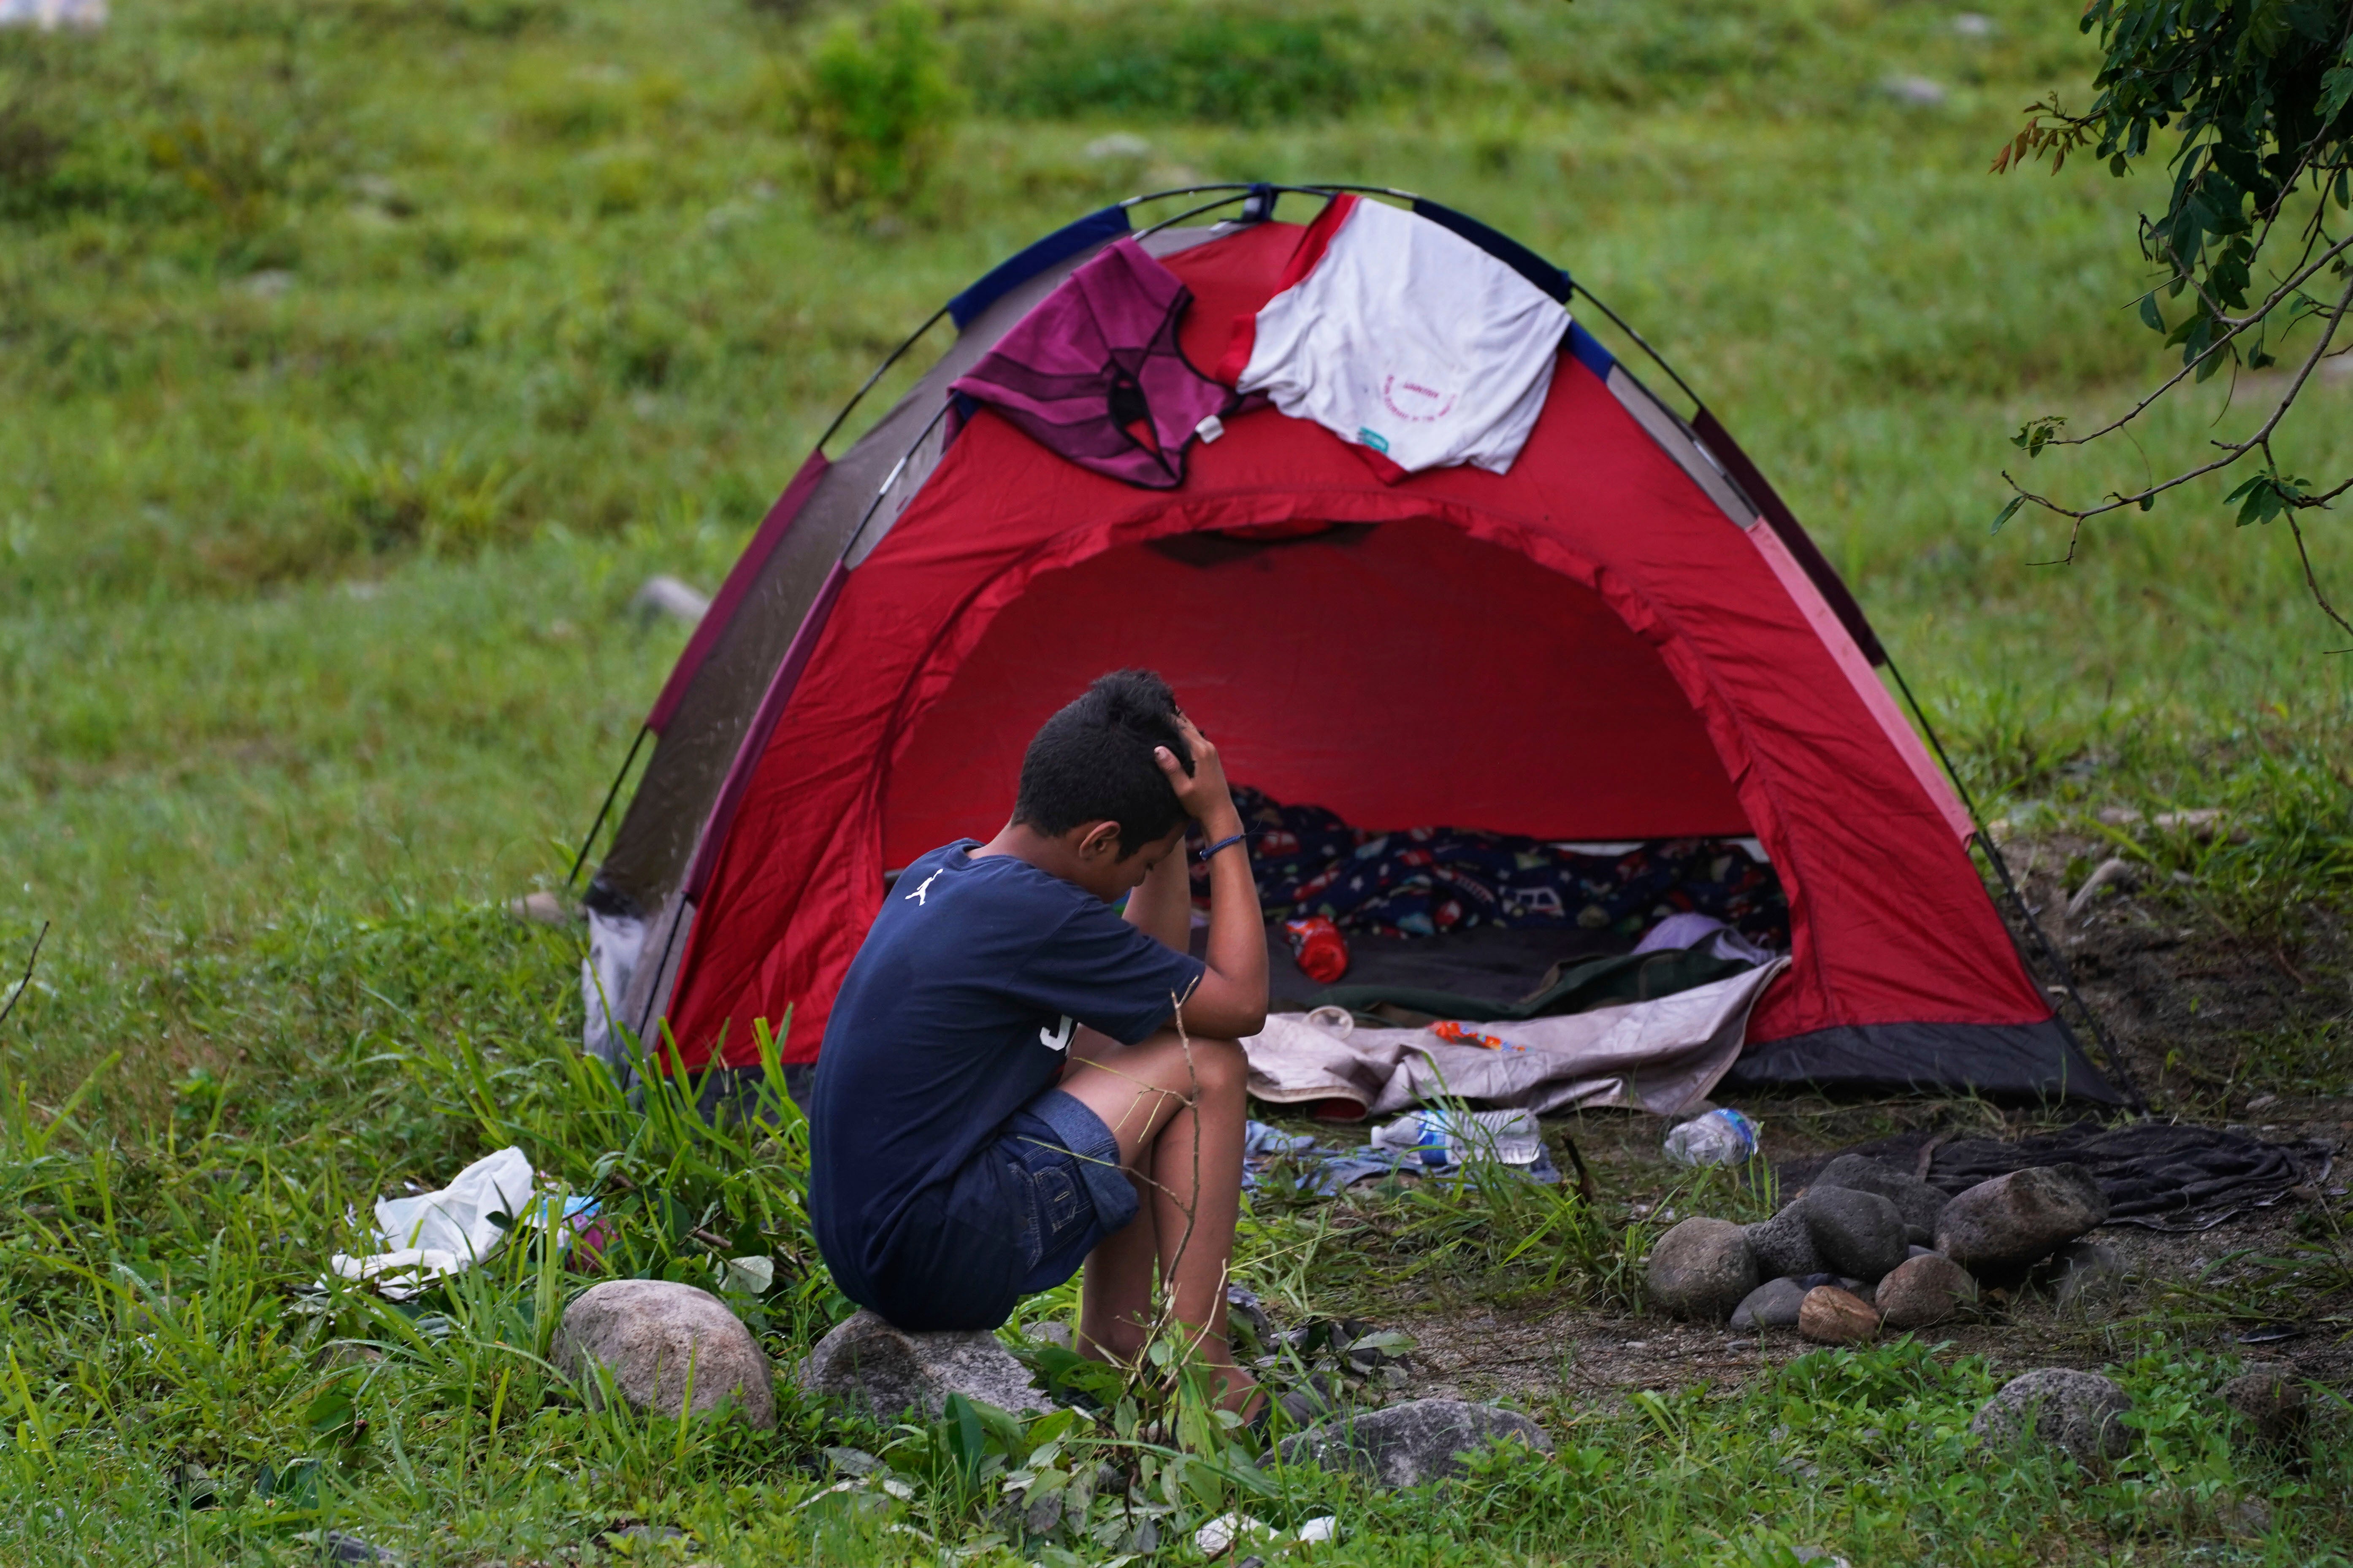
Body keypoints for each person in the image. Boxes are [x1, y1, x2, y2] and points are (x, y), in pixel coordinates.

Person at [808, 669, 1270, 1414]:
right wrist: (1221, 823)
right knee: (1207, 1060)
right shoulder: (1039, 918)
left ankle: (1113, 1345)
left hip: (880, 1249)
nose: (1149, 879)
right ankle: (1202, 1371)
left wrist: (1171, 826)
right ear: (1100, 841)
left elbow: (1157, 998)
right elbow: (1240, 1005)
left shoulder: (954, 874)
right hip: (935, 1253)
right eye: (1146, 867)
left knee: (1137, 1039)